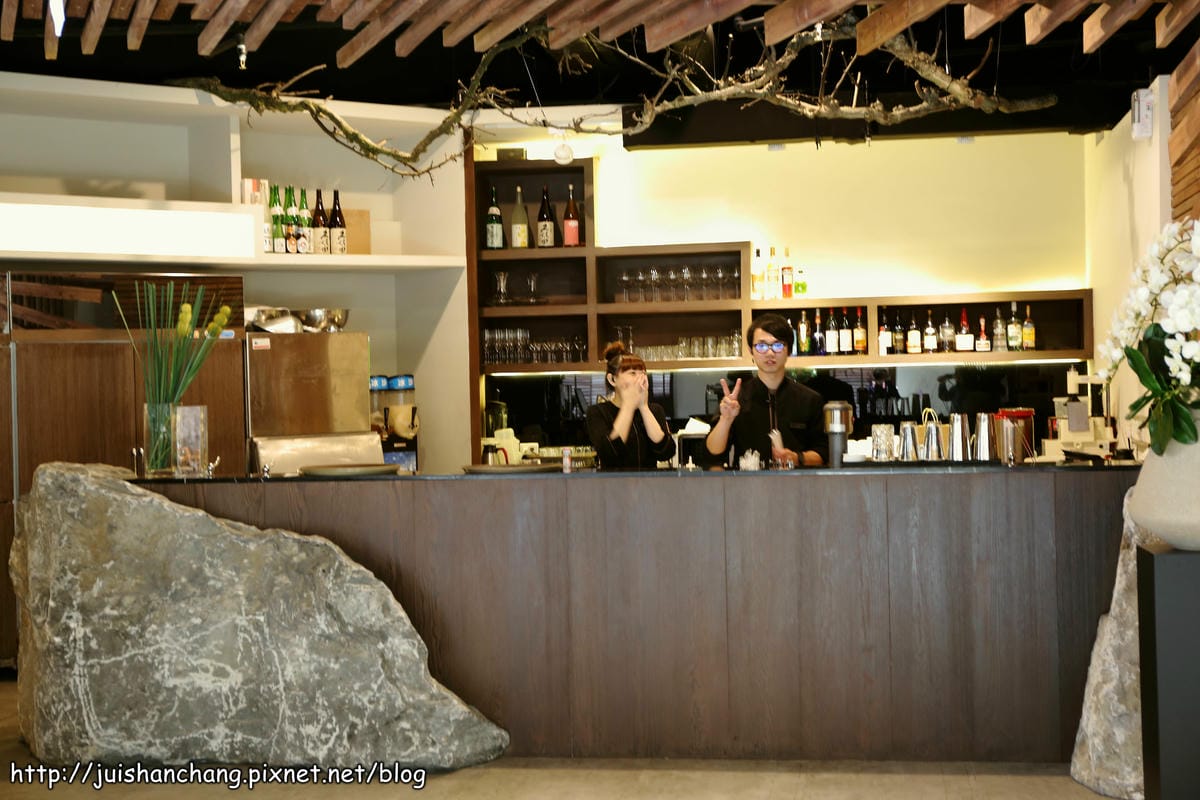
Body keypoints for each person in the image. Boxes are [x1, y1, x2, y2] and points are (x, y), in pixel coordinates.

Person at [706, 313, 828, 467]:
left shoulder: (810, 399)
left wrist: (797, 458)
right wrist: (726, 419)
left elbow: (823, 452)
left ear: (788, 350)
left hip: (798, 485)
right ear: (751, 350)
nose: (770, 353)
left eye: (777, 345)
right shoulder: (736, 399)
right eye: (762, 346)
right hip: (749, 486)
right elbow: (712, 453)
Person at [586, 342, 677, 470]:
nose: (640, 378)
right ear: (612, 379)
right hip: (613, 487)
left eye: (643, 373)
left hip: (650, 486)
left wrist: (643, 407)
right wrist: (628, 405)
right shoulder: (597, 412)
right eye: (633, 373)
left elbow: (666, 452)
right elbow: (609, 454)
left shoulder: (655, 410)